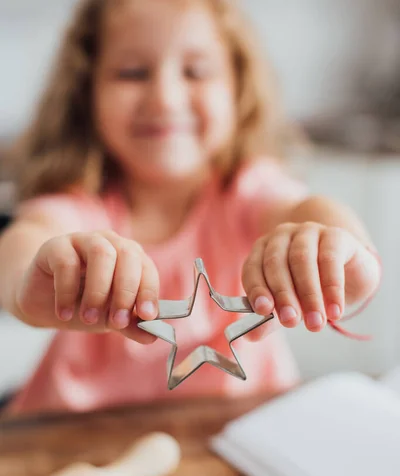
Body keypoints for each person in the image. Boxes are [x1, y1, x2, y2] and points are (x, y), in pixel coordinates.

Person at [0, 0, 380, 415]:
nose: (165, 97)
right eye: (132, 72)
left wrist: (341, 251)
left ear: (238, 88)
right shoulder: (79, 207)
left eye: (196, 71)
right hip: (73, 436)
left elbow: (305, 208)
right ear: (86, 92)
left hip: (238, 432)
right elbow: (26, 241)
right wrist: (28, 285)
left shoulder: (246, 192)